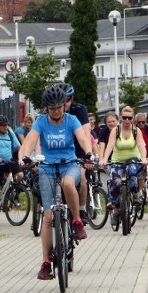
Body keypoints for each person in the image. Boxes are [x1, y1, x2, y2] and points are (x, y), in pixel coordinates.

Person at [18, 85, 94, 280]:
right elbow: (29, 141)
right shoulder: (41, 122)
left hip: (70, 163)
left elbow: (83, 139)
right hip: (47, 167)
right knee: (49, 216)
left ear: (64, 106)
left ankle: (77, 222)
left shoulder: (72, 120)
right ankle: (45, 263)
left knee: (69, 184)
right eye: (52, 108)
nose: (56, 111)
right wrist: (26, 157)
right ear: (46, 108)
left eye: (59, 106)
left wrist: (88, 154)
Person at [100, 106, 148, 213]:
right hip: (117, 160)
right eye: (125, 117)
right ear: (121, 118)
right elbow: (110, 146)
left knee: (132, 172)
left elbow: (141, 145)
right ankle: (115, 207)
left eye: (129, 118)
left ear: (132, 119)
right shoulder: (115, 131)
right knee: (115, 182)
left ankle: (135, 194)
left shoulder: (136, 131)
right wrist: (104, 159)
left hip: (133, 159)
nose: (127, 120)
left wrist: (144, 158)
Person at [60, 83, 93, 225]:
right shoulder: (51, 111)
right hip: (60, 151)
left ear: (72, 98)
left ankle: (81, 209)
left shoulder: (79, 110)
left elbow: (86, 134)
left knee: (82, 177)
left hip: (78, 149)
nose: (63, 104)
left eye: (67, 100)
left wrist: (88, 154)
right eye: (61, 100)